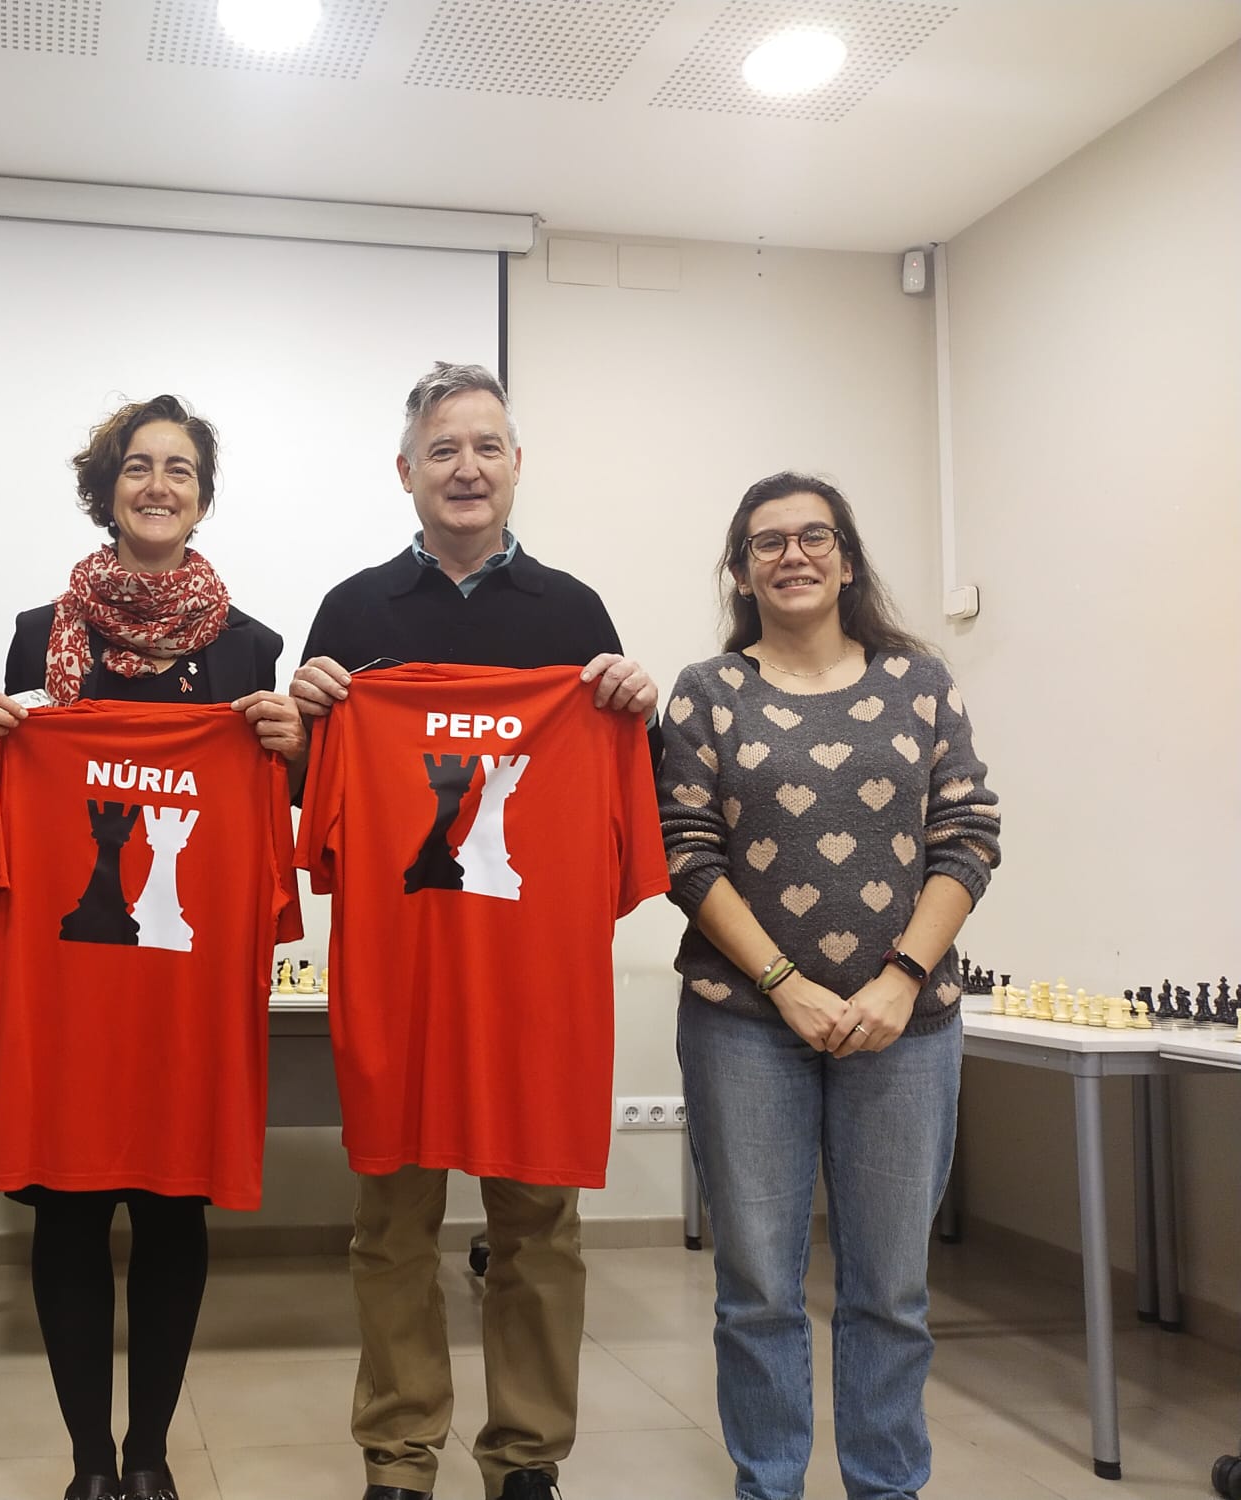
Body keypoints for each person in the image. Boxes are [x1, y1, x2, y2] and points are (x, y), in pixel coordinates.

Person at [288, 362, 661, 1500]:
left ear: (515, 466)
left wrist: (632, 707)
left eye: (486, 446)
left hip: (530, 982)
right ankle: (399, 1456)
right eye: (443, 449)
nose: (466, 468)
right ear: (405, 471)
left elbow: (625, 788)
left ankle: (527, 1457)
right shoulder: (353, 613)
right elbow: (311, 799)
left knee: (539, 1223)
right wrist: (305, 717)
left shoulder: (572, 615)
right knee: (390, 1225)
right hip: (401, 976)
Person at [0, 395, 305, 1500]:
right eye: (137, 466)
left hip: (183, 982)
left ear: (202, 494)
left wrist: (287, 750)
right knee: (70, 1208)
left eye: (179, 469)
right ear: (106, 490)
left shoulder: (250, 648)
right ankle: (89, 1463)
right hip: (71, 982)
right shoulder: (38, 631)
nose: (157, 485)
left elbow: (273, 805)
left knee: (173, 1207)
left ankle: (148, 1457)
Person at [658, 472, 1002, 1500]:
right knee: (757, 1288)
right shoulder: (705, 693)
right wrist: (783, 982)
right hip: (742, 1024)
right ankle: (768, 1485)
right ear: (740, 570)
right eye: (766, 542)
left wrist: (901, 979)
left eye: (814, 537)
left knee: (890, 1290)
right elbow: (686, 853)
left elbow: (966, 836)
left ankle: (884, 1487)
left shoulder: (919, 682)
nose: (792, 555)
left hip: (906, 1026)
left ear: (847, 560)